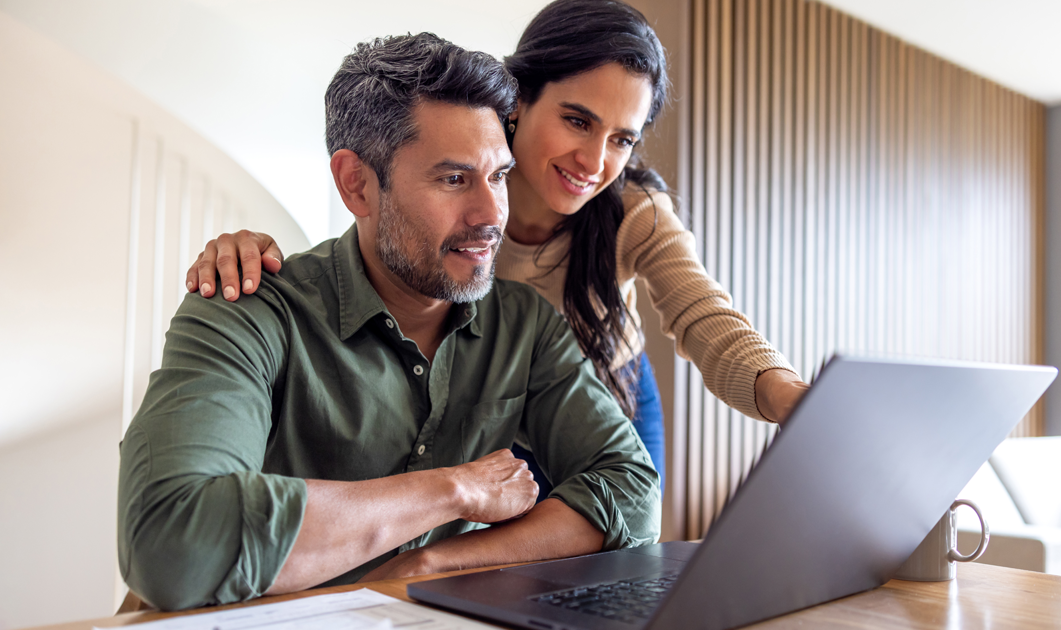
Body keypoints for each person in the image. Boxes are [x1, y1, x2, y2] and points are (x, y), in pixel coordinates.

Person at [118, 33, 659, 612]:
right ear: (357, 184)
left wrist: (429, 565)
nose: (491, 214)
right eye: (453, 179)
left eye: (498, 176)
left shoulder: (526, 326)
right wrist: (453, 490)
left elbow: (633, 494)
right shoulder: (245, 307)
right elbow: (172, 541)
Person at [185, 0, 809, 494]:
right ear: (519, 99)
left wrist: (794, 400)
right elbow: (372, 249)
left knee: (617, 558)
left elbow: (704, 314)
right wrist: (251, 251)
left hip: (606, 387)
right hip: (489, 402)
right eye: (577, 120)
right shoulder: (457, 200)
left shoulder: (632, 213)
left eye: (622, 138)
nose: (594, 162)